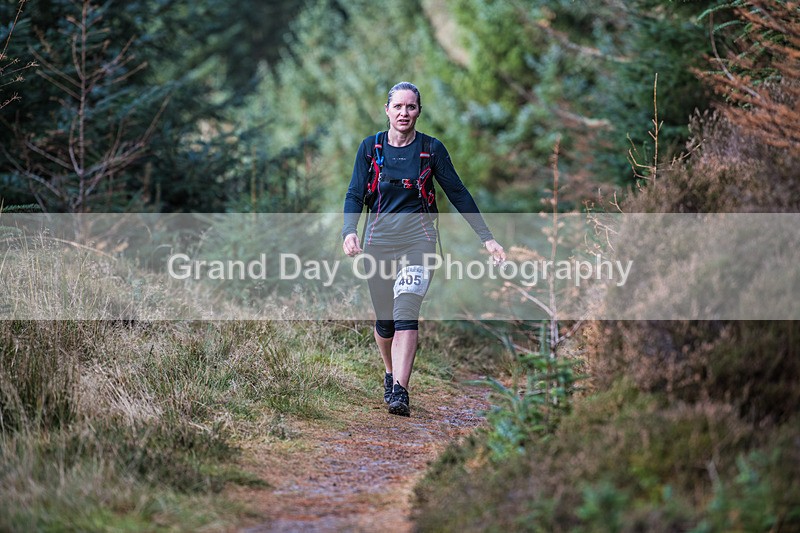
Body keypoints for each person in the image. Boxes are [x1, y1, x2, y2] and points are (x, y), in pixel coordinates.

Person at [342, 81, 505, 417]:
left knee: (406, 311)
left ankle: (400, 391)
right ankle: (390, 372)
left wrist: (486, 237)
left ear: (418, 111)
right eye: (398, 106)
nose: (404, 113)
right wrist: (349, 231)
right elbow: (355, 193)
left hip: (419, 242)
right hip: (378, 242)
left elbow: (458, 193)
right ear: (387, 110)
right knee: (385, 322)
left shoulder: (431, 149)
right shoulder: (370, 148)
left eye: (411, 107)